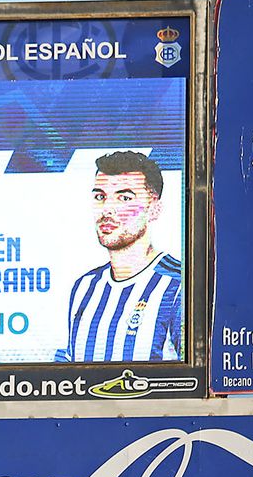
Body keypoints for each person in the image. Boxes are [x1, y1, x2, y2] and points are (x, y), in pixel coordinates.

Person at [59, 149, 182, 363]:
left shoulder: (179, 286)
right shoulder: (84, 287)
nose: (107, 210)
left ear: (154, 209)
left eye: (124, 198)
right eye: (100, 197)